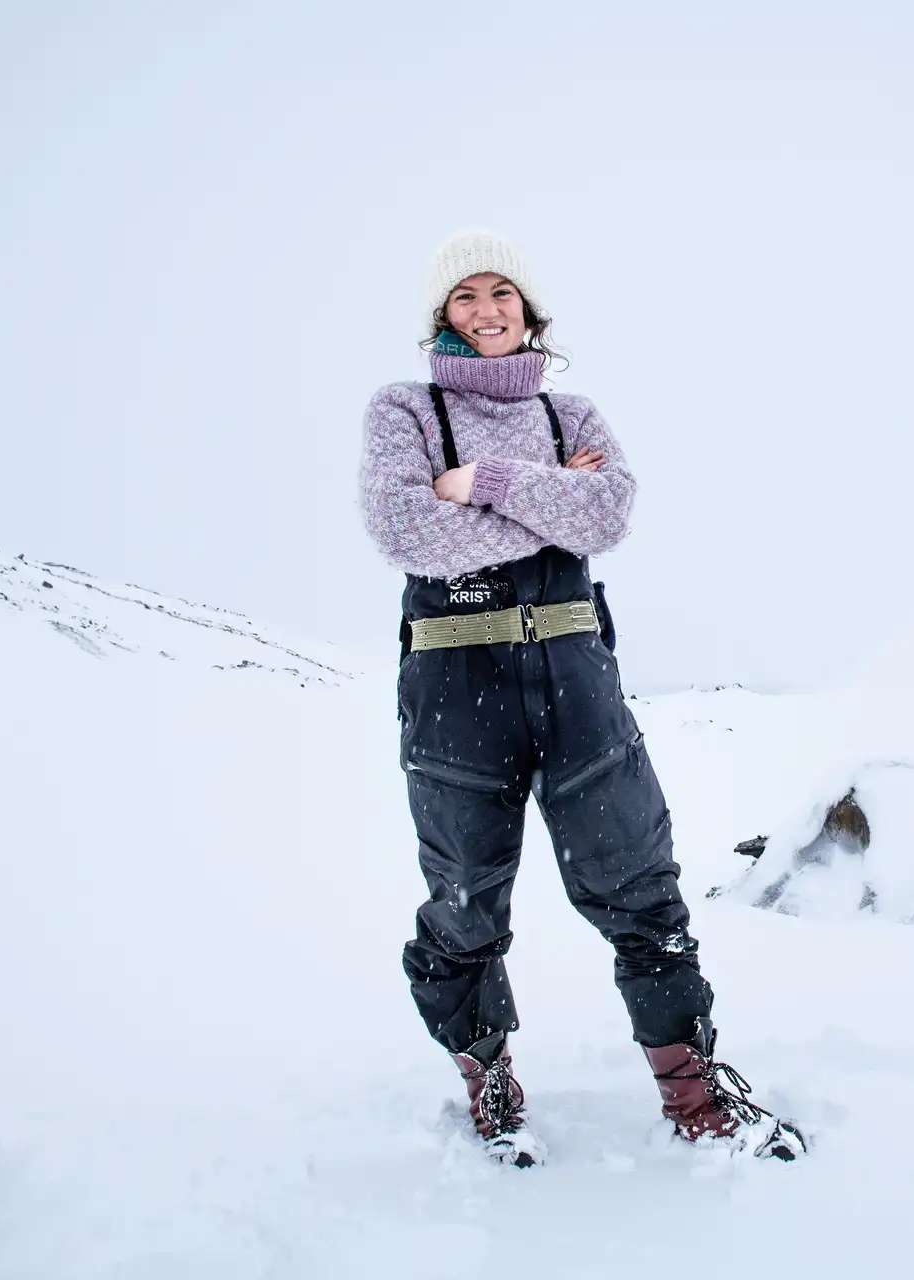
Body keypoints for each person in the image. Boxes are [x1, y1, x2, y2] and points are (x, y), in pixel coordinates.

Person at [359, 230, 805, 1166]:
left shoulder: (573, 415)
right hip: (454, 688)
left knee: (642, 886)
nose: (487, 310)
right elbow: (405, 531)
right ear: (443, 315)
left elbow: (608, 514)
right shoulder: (404, 408)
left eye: (503, 294)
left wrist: (481, 483)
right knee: (465, 900)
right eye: (466, 296)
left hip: (576, 683)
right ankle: (488, 1076)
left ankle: (692, 1091)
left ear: (530, 309)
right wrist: (550, 499)